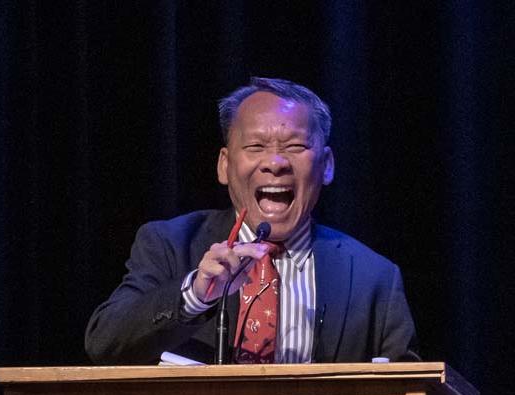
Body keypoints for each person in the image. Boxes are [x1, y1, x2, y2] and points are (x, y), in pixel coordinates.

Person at [85, 77, 418, 365]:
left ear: (327, 165)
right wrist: (195, 295)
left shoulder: (373, 279)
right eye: (256, 146)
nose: (275, 163)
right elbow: (104, 344)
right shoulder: (170, 245)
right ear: (224, 165)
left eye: (295, 146)